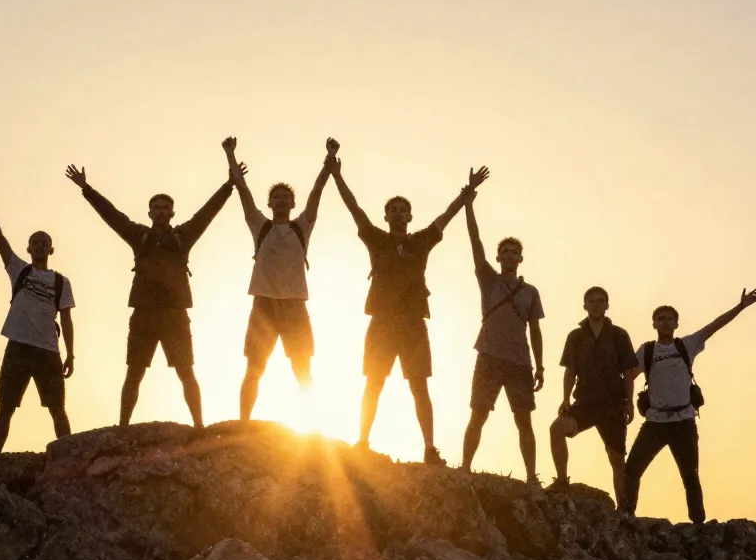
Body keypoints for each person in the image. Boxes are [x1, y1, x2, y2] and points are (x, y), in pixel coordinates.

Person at [333, 150, 488, 464]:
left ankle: (430, 449)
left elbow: (446, 216)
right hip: (381, 322)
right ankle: (362, 442)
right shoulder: (376, 239)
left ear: (409, 217)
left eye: (404, 210)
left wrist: (467, 192)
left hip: (413, 322)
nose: (399, 213)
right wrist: (337, 175)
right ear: (387, 216)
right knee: (374, 383)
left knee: (419, 385)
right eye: (394, 210)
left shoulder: (420, 242)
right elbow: (354, 209)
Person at [66, 158, 236, 428]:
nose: (160, 211)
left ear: (171, 213)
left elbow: (206, 214)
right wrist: (87, 189)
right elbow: (112, 215)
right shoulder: (139, 236)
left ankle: (199, 426)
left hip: (175, 315)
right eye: (155, 208)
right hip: (144, 314)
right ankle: (123, 426)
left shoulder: (182, 238)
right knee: (134, 373)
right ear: (149, 213)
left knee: (186, 373)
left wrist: (229, 185)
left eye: (165, 208)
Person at [623, 288, 756, 523]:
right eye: (661, 319)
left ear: (676, 324)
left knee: (690, 475)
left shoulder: (687, 345)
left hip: (684, 422)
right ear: (654, 324)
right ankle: (626, 515)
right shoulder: (646, 351)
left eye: (670, 319)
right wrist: (621, 401)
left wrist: (740, 306)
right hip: (655, 422)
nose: (665, 322)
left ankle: (698, 524)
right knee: (632, 470)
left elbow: (715, 326)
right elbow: (629, 376)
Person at [223, 136, 337, 422]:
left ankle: (312, 429)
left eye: (286, 197)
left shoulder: (302, 227)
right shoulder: (260, 226)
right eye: (277, 197)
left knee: (302, 369)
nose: (282, 200)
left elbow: (318, 191)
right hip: (263, 305)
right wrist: (230, 154)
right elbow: (242, 190)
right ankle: (244, 424)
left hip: (295, 306)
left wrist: (328, 161)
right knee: (255, 368)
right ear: (270, 202)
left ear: (293, 203)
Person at [0, 182, 75, 453]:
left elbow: (67, 321)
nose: (39, 246)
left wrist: (71, 354)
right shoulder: (19, 270)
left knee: (57, 409)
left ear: (51, 250)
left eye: (45, 243)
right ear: (28, 248)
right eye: (35, 243)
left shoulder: (61, 282)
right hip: (18, 347)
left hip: (48, 351)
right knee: (5, 406)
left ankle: (68, 457)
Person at [457, 197, 546, 484]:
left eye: (514, 252)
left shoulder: (530, 291)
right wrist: (468, 205)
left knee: (524, 420)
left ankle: (532, 476)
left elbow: (535, 330)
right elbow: (475, 242)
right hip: (489, 356)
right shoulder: (489, 280)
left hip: (520, 361)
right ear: (498, 258)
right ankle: (465, 467)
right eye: (504, 252)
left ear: (520, 259)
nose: (509, 255)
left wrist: (540, 366)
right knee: (478, 413)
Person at [548, 286, 640, 503]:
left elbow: (628, 372)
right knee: (557, 428)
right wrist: (565, 398)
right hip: (585, 402)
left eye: (601, 301)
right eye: (591, 301)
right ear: (585, 305)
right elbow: (570, 370)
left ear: (607, 305)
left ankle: (624, 509)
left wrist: (630, 403)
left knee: (617, 459)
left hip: (612, 403)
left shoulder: (619, 335)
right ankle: (562, 481)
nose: (596, 304)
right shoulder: (576, 336)